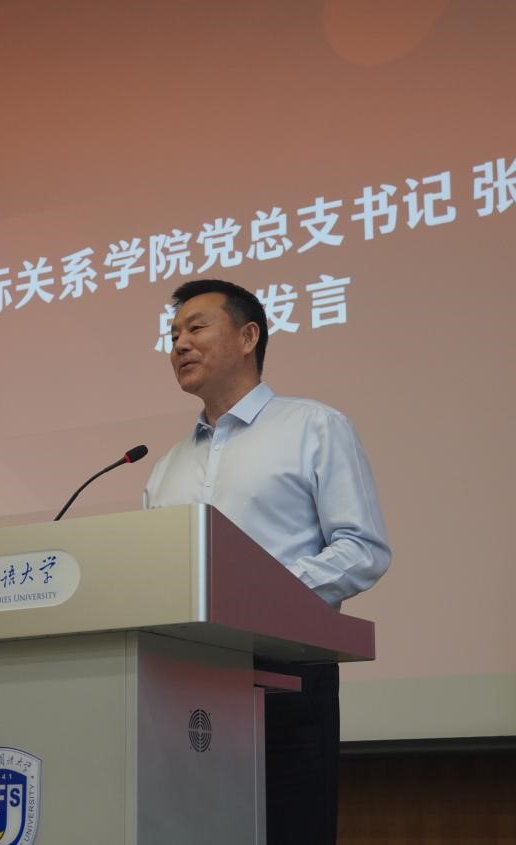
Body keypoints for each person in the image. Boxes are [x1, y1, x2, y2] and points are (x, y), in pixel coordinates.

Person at [142, 278, 390, 845]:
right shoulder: (166, 466)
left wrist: (262, 596)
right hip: (186, 687)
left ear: (248, 336)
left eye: (196, 328)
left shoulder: (314, 427)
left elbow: (362, 549)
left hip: (287, 680)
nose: (180, 344)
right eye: (173, 335)